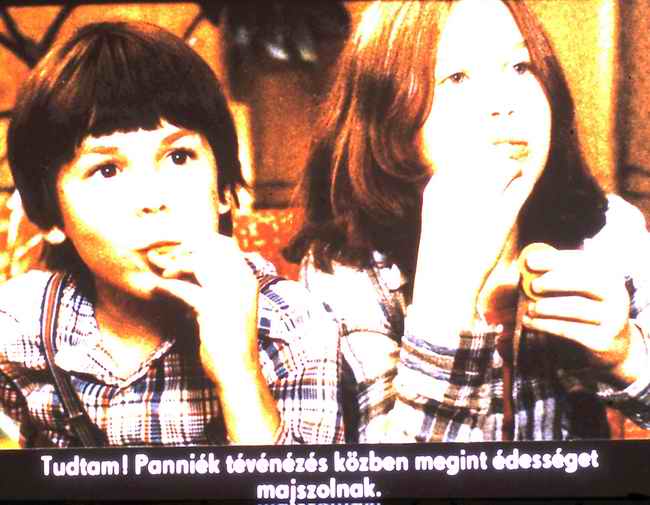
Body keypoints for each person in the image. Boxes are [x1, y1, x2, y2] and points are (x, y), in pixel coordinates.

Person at [285, 0, 650, 442]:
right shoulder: (347, 269)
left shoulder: (610, 231)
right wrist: (445, 301)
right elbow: (393, 474)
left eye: (521, 67)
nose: (503, 103)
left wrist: (628, 357)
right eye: (456, 78)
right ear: (389, 119)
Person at [0, 21, 343, 447]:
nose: (153, 199)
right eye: (106, 170)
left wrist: (239, 370)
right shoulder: (20, 325)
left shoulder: (292, 325)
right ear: (52, 218)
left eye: (179, 157)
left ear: (223, 190)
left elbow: (304, 483)